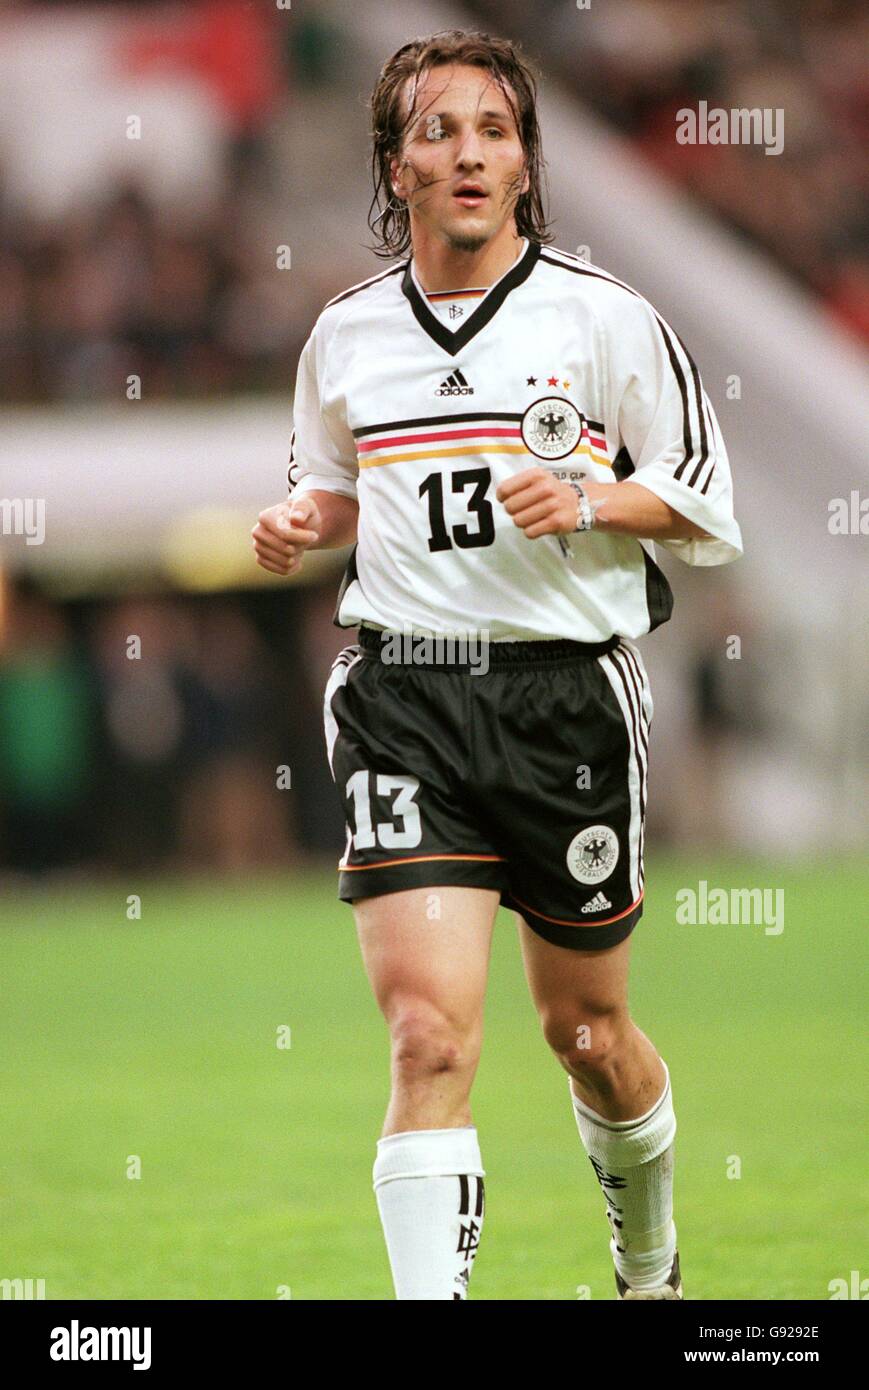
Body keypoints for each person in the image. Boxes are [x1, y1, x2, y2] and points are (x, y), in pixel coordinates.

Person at [252, 29, 742, 1301]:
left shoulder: (605, 318)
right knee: (425, 1038)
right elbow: (340, 487)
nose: (467, 152)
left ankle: (647, 1266)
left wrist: (589, 496)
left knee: (584, 1034)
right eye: (436, 130)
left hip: (562, 695)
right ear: (394, 164)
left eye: (493, 130)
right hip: (402, 694)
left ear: (525, 163)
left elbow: (703, 509)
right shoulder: (345, 338)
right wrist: (311, 520)